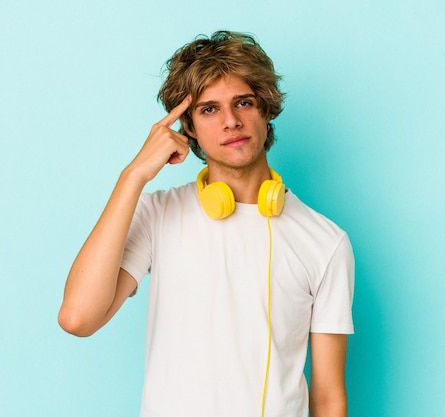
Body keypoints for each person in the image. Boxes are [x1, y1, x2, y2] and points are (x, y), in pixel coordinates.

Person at [58, 31, 355, 417]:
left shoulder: (325, 242)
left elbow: (329, 399)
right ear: (189, 128)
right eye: (209, 109)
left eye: (243, 103)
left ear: (265, 109)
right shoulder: (157, 215)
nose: (231, 121)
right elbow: (78, 318)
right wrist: (132, 176)